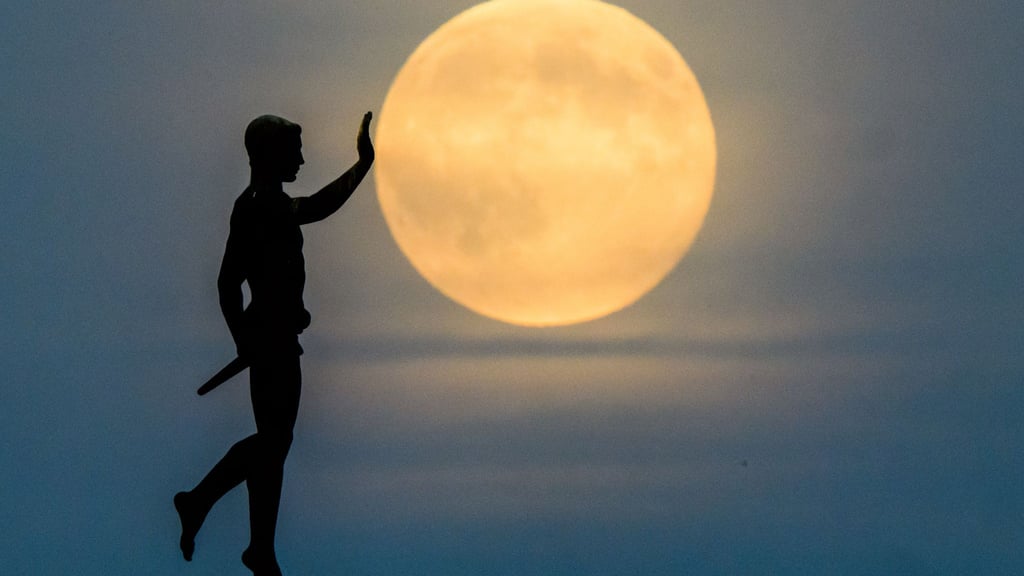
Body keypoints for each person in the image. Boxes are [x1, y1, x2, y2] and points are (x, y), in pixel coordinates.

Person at [175, 112, 374, 575]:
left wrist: (245, 337)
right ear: (269, 155)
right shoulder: (260, 205)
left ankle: (259, 546)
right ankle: (200, 501)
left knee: (275, 444)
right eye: (294, 151)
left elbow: (231, 281)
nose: (302, 160)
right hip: (271, 341)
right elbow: (228, 282)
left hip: (277, 338)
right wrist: (245, 339)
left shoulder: (265, 204)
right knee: (273, 441)